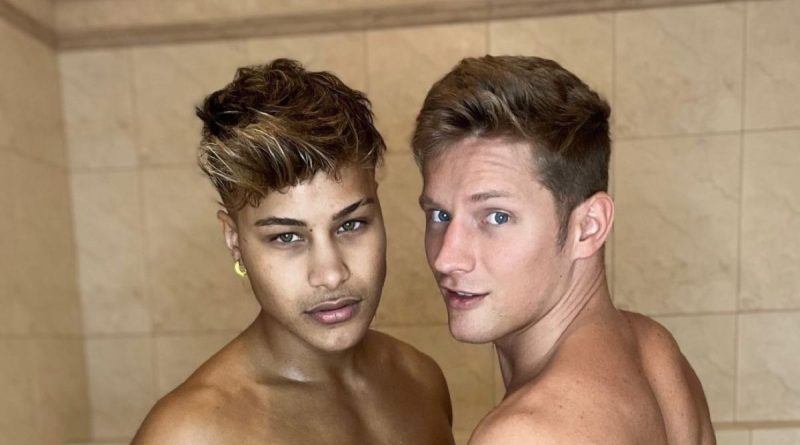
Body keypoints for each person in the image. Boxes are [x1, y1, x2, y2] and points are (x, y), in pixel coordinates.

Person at [132, 59, 454, 445]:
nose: (331, 274)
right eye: (287, 237)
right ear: (234, 240)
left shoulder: (421, 379)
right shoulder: (190, 434)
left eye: (351, 225)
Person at [413, 55, 715, 445]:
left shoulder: (522, 434)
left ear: (589, 227)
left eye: (497, 217)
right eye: (439, 215)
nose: (446, 258)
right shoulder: (655, 352)